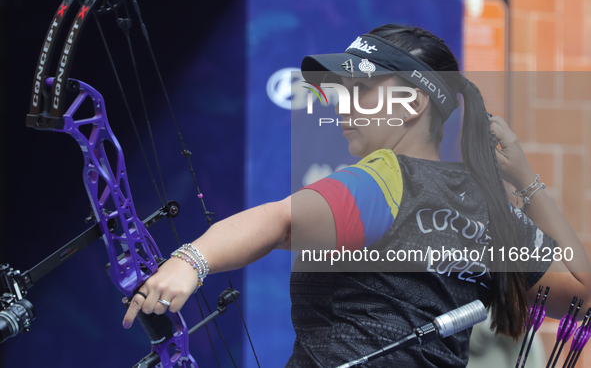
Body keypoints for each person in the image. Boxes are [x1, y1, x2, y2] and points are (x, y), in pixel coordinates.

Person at [121, 24, 591, 367]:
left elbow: (283, 220)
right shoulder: (485, 206)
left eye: (363, 90)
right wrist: (528, 185)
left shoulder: (383, 177)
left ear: (413, 103)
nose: (345, 104)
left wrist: (191, 260)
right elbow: (583, 294)